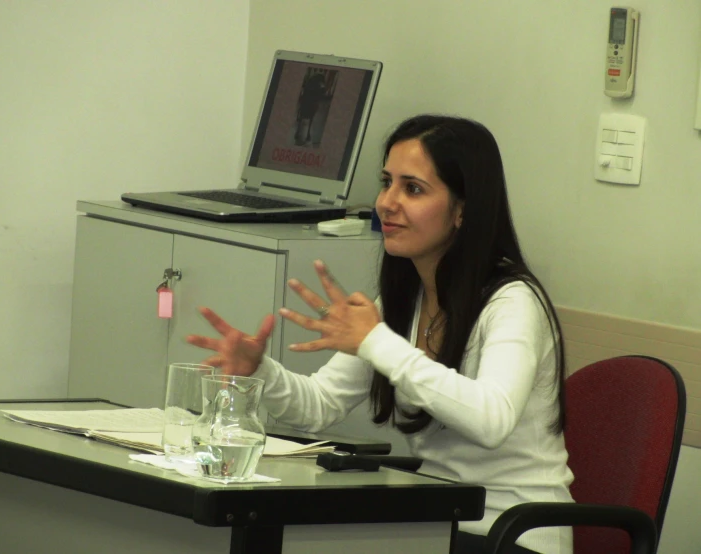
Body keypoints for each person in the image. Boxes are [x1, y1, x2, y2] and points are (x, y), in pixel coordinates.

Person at [187, 115, 574, 554]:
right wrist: (261, 372)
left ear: (464, 209)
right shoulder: (402, 300)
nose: (386, 202)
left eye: (412, 188)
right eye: (386, 182)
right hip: (435, 529)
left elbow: (492, 420)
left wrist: (376, 342)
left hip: (514, 535)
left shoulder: (513, 301)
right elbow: (319, 406)